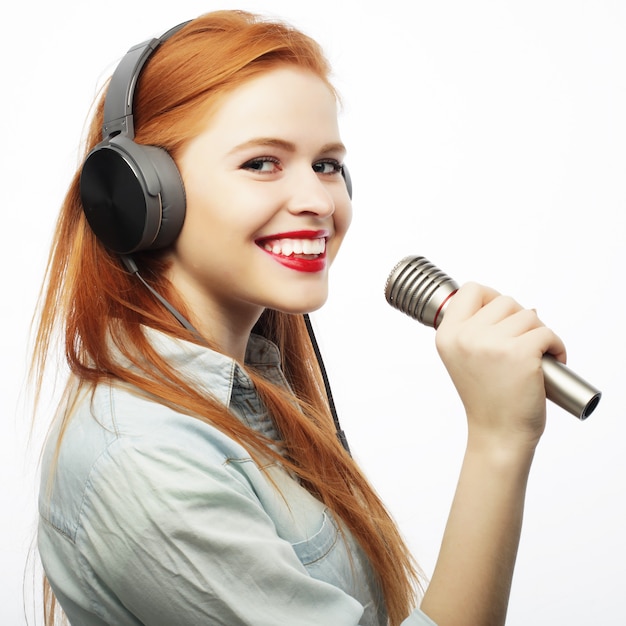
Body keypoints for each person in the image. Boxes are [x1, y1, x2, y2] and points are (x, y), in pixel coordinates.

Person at [32, 9, 566, 626]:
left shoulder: (244, 389)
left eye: (327, 165)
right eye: (262, 163)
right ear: (140, 195)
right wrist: (498, 442)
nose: (318, 202)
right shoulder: (146, 462)